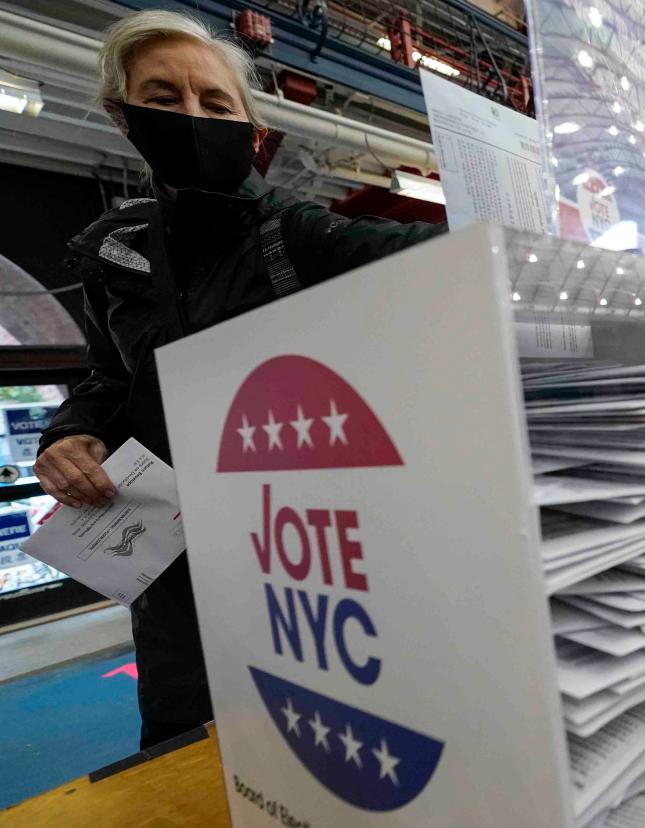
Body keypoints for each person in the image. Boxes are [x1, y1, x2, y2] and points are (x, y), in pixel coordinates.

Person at [31, 10, 443, 748]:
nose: (191, 116)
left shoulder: (297, 236)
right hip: (170, 568)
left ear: (250, 126)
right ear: (122, 117)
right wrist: (71, 433)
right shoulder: (111, 251)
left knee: (321, 745)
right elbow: (106, 376)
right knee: (179, 745)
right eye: (162, 98)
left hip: (301, 558)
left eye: (215, 103)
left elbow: (444, 258)